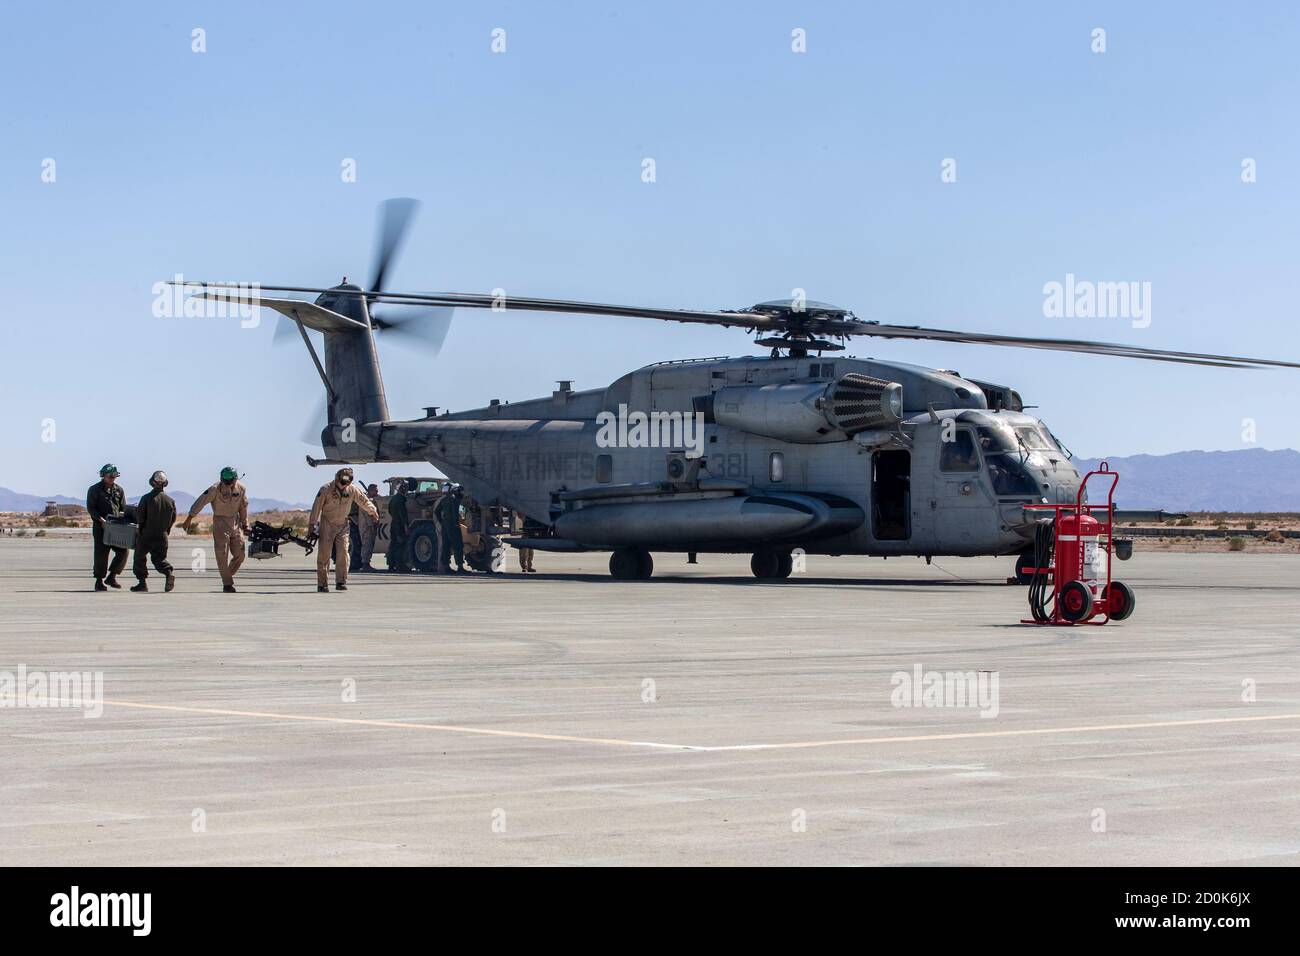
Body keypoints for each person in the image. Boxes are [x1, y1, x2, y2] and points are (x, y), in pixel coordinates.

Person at [309, 467, 379, 592]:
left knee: (343, 553)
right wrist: (312, 525)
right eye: (341, 482)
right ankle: (322, 584)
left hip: (343, 524)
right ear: (336, 478)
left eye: (346, 482)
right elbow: (316, 508)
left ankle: (341, 581)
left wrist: (372, 511)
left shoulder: (352, 489)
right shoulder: (325, 489)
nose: (343, 485)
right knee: (324, 554)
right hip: (327, 523)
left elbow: (363, 501)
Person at [182, 466, 249, 593]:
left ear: (236, 479)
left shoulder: (241, 488)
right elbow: (200, 502)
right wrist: (189, 518)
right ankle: (227, 584)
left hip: (235, 522)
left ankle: (226, 575)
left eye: (231, 481)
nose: (228, 484)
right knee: (221, 553)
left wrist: (245, 525)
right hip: (220, 522)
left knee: (240, 554)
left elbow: (243, 507)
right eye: (226, 481)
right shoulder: (214, 489)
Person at [131, 470, 177, 592]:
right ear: (165, 483)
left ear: (152, 482)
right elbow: (173, 519)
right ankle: (168, 573)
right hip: (162, 536)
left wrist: (139, 531)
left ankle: (142, 583)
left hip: (146, 534)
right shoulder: (170, 501)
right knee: (159, 559)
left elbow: (140, 517)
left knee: (139, 558)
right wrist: (166, 530)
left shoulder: (146, 498)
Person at [87, 463, 129, 591]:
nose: (112, 478)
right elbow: (91, 508)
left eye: (114, 476)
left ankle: (112, 576)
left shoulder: (119, 490)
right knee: (101, 554)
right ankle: (99, 581)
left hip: (116, 527)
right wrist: (101, 520)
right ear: (103, 475)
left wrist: (125, 519)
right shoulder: (94, 490)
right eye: (110, 476)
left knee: (123, 551)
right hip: (101, 528)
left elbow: (123, 508)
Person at [436, 486, 466, 573]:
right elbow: (455, 512)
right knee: (458, 545)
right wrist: (456, 523)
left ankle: (446, 567)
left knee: (446, 545)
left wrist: (441, 521)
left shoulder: (443, 500)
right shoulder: (454, 500)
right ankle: (460, 567)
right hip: (453, 525)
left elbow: (437, 511)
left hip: (445, 525)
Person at [386, 479, 411, 572]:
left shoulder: (393, 499)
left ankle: (391, 565)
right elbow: (403, 514)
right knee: (401, 545)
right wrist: (406, 526)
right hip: (400, 525)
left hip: (393, 524)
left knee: (393, 545)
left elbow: (390, 511)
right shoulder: (402, 500)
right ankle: (400, 566)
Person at [358, 483, 381, 572]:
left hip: (370, 526)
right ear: (370, 491)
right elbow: (367, 514)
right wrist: (372, 524)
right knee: (367, 544)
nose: (377, 491)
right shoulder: (365, 501)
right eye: (375, 490)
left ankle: (366, 563)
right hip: (367, 527)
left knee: (369, 545)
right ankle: (365, 564)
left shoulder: (371, 500)